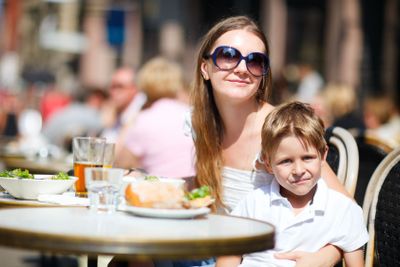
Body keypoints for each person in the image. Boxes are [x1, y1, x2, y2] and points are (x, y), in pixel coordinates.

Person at [190, 15, 349, 266]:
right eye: (228, 55)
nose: (241, 68)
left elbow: (347, 211)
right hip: (213, 249)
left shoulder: (280, 130)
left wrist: (324, 257)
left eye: (255, 61)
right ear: (205, 67)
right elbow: (200, 194)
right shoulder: (199, 125)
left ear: (263, 74)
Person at [217, 101, 368, 267]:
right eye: (286, 161)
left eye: (307, 158)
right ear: (268, 164)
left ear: (323, 155)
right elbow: (228, 258)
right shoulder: (254, 203)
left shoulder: (344, 210)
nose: (298, 170)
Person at [114, 57, 195, 178]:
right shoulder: (190, 114)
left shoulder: (143, 119)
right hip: (193, 189)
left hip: (159, 190)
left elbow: (121, 163)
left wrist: (130, 123)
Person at [101, 66, 147, 143]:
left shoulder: (142, 112)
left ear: (135, 88)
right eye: (112, 87)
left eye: (120, 87)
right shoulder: (116, 111)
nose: (113, 92)